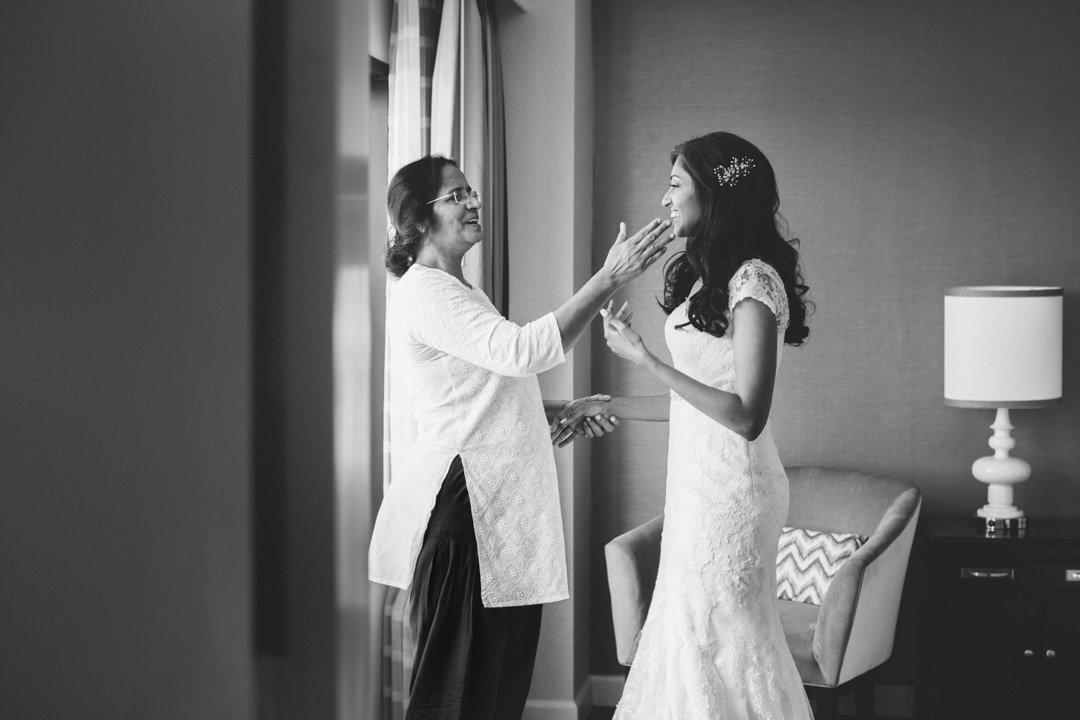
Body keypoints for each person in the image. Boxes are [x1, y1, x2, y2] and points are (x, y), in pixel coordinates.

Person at [367, 154, 671, 720]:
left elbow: (489, 389)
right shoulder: (427, 291)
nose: (473, 201)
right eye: (456, 195)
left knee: (494, 697)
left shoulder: (460, 290)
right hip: (465, 513)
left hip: (495, 514)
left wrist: (563, 409)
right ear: (418, 218)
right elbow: (523, 351)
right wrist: (609, 277)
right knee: (456, 701)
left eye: (470, 191)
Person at [554, 131, 813, 718]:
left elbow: (746, 415)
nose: (664, 199)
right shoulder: (707, 279)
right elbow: (695, 404)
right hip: (696, 485)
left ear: (716, 195)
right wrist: (606, 404)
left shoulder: (754, 282)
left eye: (675, 185)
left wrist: (645, 358)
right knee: (688, 636)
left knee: (721, 640)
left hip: (735, 492)